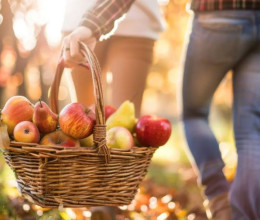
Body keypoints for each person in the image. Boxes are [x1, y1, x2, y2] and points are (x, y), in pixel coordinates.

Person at [62, 0, 165, 219]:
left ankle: (104, 201)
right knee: (85, 125)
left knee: (119, 126)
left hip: (124, 20)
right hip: (100, 19)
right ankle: (100, 198)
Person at [182, 1, 260, 220]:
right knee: (251, 131)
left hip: (217, 13)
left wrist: (95, 24)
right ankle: (246, 216)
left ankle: (220, 200)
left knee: (194, 114)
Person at [62, 0, 165, 117]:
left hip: (135, 21)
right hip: (78, 19)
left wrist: (91, 23)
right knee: (82, 122)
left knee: (125, 121)